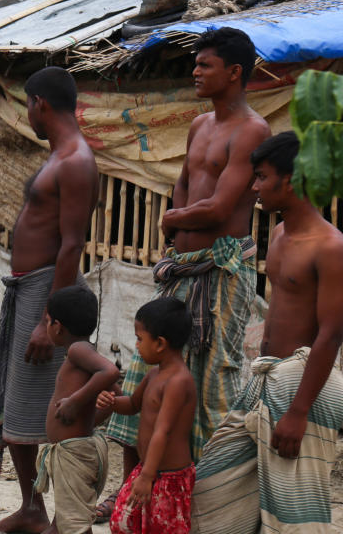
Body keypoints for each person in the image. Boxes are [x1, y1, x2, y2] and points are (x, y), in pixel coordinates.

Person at [100, 27, 271, 521]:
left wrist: (173, 220)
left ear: (234, 72)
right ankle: (133, 486)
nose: (195, 72)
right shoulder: (200, 125)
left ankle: (204, 497)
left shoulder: (252, 130)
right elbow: (182, 184)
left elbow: (218, 207)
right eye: (195, 64)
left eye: (205, 65)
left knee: (209, 384)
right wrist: (176, 223)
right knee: (146, 372)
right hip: (183, 269)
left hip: (220, 272)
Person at [190, 131, 343, 534]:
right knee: (211, 485)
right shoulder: (277, 236)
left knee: (294, 514)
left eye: (261, 177)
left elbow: (331, 333)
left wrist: (298, 412)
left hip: (303, 386)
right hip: (265, 377)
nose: (254, 186)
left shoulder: (330, 246)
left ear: (290, 181)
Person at [0, 66, 99, 534]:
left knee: (45, 406)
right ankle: (31, 508)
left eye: (26, 106)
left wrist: (49, 318)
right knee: (19, 401)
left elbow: (72, 244)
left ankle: (62, 517)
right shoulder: (59, 156)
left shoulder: (75, 161)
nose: (26, 115)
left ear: (40, 103)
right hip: (27, 289)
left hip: (46, 293)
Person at [98, 297, 197, 534]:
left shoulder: (178, 381)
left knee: (160, 527)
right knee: (123, 522)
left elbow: (163, 430)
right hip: (148, 469)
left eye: (140, 339)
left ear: (160, 343)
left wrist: (147, 475)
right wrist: (112, 402)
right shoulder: (154, 374)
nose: (137, 345)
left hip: (167, 477)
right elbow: (133, 404)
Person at [33, 285, 119, 534]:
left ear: (58, 326)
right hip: (77, 451)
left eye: (47, 321)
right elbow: (117, 395)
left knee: (75, 527)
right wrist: (91, 418)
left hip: (74, 457)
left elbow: (111, 372)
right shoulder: (83, 353)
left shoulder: (77, 350)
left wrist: (76, 401)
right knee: (64, 523)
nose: (47, 326)